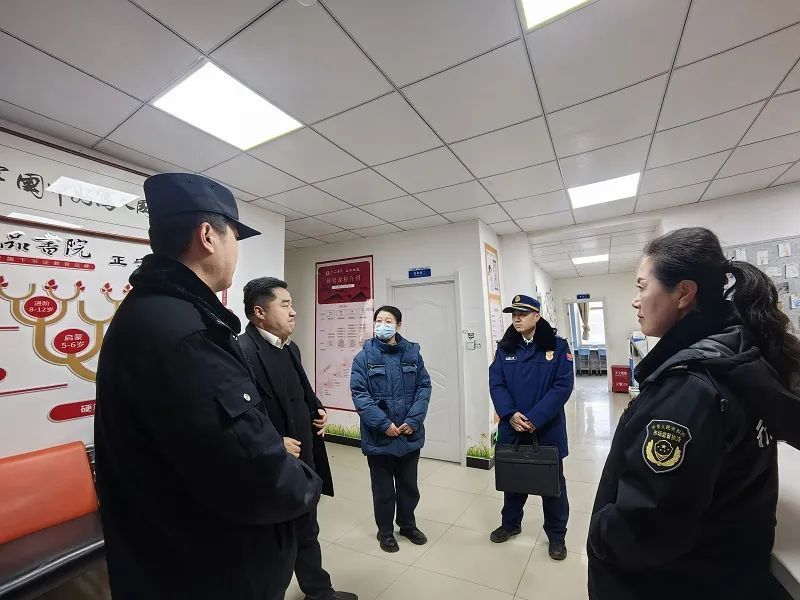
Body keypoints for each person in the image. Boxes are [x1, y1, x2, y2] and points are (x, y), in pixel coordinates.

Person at [94, 174, 322, 600]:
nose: (237, 252)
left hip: (168, 557)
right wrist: (306, 484)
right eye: (235, 236)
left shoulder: (150, 311)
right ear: (208, 236)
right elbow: (252, 469)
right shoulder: (189, 332)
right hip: (203, 567)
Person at [588, 227, 800, 599]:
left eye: (642, 287)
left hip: (681, 580)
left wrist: (599, 537)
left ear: (684, 293)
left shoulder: (689, 388)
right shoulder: (736, 351)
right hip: (725, 566)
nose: (636, 301)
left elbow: (647, 524)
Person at [239, 277, 357, 600]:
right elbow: (241, 413)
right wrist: (273, 442)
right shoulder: (242, 351)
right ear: (259, 312)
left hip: (304, 458)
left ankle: (319, 592)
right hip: (273, 464)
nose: (293, 312)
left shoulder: (290, 348)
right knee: (274, 542)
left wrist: (317, 409)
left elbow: (302, 390)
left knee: (308, 528)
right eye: (285, 305)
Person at [489, 294, 574, 560]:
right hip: (513, 426)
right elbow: (496, 383)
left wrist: (535, 418)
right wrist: (509, 413)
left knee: (552, 485)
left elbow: (562, 386)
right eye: (514, 314)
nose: (517, 318)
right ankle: (510, 524)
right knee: (513, 480)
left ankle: (557, 536)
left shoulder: (557, 347)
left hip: (546, 428)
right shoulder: (505, 348)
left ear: (537, 316)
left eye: (523, 313)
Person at [350, 306, 431, 553]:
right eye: (378, 320)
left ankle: (407, 525)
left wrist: (413, 420)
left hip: (409, 433)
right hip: (380, 437)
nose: (382, 325)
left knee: (409, 487)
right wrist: (384, 424)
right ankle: (385, 532)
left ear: (398, 325)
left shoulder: (413, 354)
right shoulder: (363, 357)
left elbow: (424, 387)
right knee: (383, 490)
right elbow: (360, 395)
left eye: (388, 321)